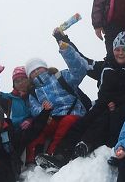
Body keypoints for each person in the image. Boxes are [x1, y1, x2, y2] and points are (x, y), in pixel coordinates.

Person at [35, 30, 125, 170]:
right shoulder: (106, 66)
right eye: (117, 49)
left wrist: (119, 102)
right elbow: (81, 59)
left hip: (117, 108)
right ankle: (60, 156)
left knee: (101, 122)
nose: (120, 53)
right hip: (100, 104)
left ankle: (85, 145)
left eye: (124, 49)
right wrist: (63, 40)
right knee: (80, 124)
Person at [24, 33, 90, 164]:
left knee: (66, 123)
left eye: (38, 68)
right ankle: (32, 159)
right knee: (38, 129)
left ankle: (53, 154)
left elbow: (79, 71)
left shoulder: (60, 77)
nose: (36, 72)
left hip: (73, 113)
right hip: (52, 117)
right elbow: (34, 108)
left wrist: (67, 51)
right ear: (29, 76)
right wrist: (43, 112)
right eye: (32, 71)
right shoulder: (33, 91)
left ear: (45, 67)